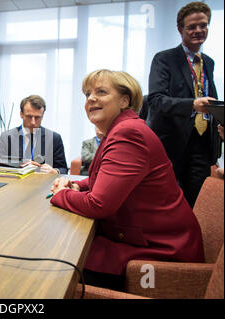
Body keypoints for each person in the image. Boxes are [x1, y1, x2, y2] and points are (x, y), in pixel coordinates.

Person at [50, 69, 204, 291]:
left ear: (125, 100)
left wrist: (60, 194)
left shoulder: (128, 133)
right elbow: (104, 179)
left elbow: (98, 204)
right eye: (87, 94)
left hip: (163, 253)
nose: (91, 98)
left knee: (63, 262)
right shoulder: (119, 129)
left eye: (101, 92)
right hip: (143, 237)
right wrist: (75, 185)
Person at [147, 2, 220, 207]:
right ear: (180, 30)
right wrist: (193, 104)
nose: (198, 30)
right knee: (167, 204)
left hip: (202, 143)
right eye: (192, 27)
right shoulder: (164, 59)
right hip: (172, 144)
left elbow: (209, 97)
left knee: (196, 205)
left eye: (203, 25)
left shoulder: (209, 62)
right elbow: (156, 101)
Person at [0, 95, 68, 174]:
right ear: (21, 114)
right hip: (14, 183)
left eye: (37, 117)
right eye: (29, 116)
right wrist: (24, 164)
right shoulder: (7, 137)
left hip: (43, 184)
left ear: (42, 116)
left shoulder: (54, 138)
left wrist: (54, 171)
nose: (33, 122)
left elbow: (63, 169)